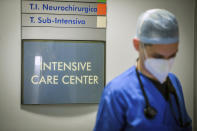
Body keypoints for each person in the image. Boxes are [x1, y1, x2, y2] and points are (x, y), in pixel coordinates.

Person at [94, 9, 192, 131]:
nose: (166, 64)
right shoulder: (116, 93)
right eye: (158, 57)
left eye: (172, 56)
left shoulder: (174, 82)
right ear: (137, 45)